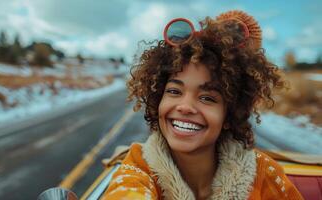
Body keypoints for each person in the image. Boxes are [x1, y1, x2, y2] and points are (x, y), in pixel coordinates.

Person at [101, 10, 303, 200]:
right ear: (158, 99)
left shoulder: (264, 174)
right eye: (174, 91)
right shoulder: (137, 168)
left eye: (207, 98)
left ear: (230, 114)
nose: (185, 106)